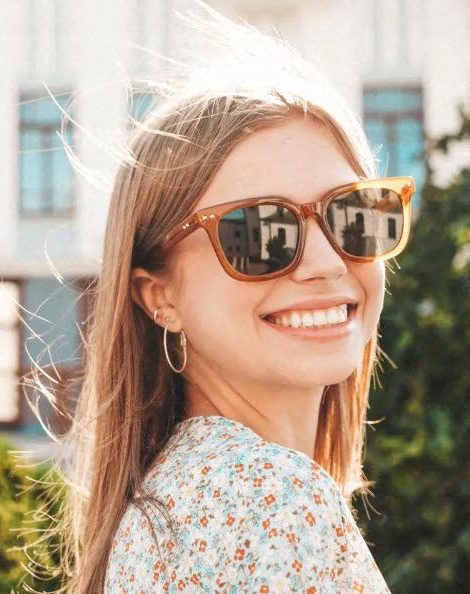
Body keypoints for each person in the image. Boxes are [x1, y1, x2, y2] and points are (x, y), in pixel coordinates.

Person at [27, 7, 415, 594]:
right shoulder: (274, 502)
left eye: (353, 216)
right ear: (159, 296)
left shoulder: (160, 512)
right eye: (260, 233)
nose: (328, 262)